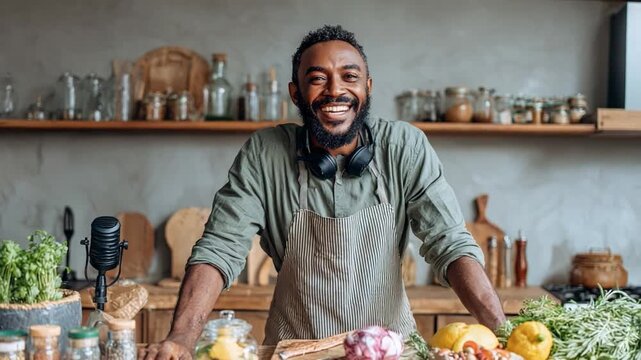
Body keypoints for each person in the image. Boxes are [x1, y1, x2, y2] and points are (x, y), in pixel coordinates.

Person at [141, 25, 505, 360]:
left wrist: (501, 334)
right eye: (318, 79)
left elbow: (450, 243)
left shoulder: (404, 146)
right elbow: (220, 247)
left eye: (350, 77)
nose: (335, 90)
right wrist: (181, 339)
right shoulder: (265, 153)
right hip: (295, 351)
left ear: (368, 87)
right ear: (295, 92)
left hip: (390, 352)